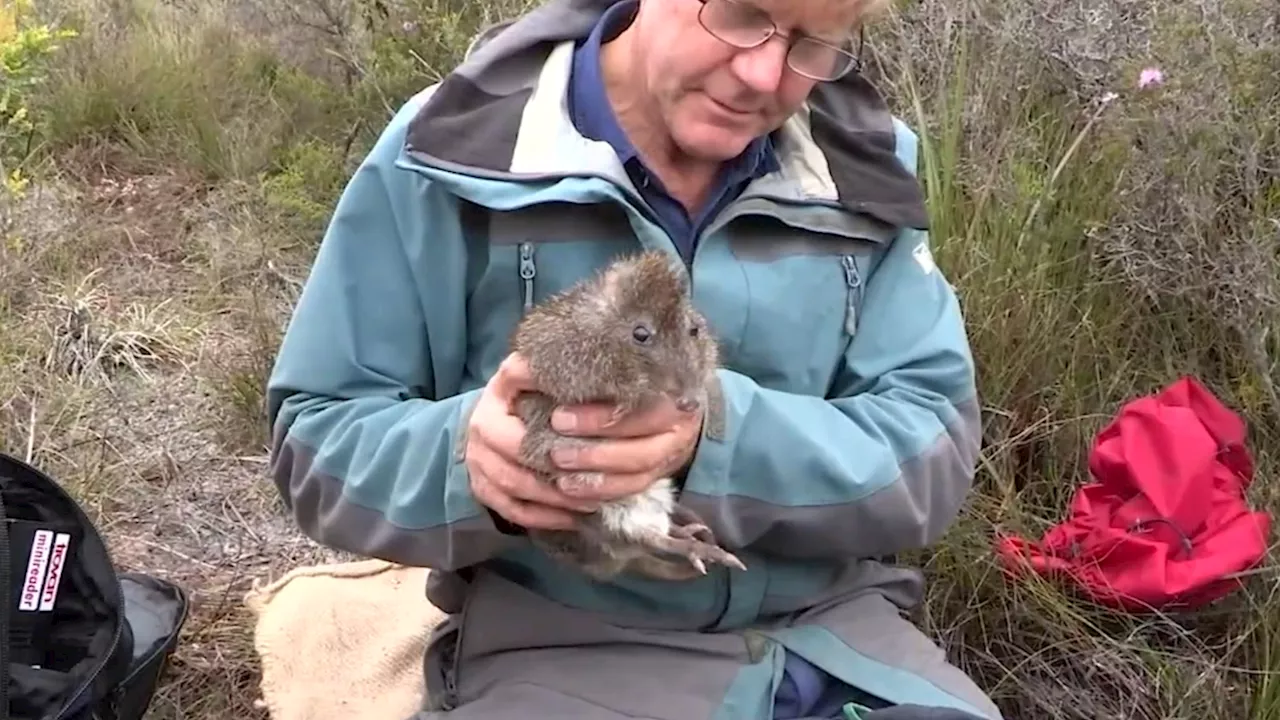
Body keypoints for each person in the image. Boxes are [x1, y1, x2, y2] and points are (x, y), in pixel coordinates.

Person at [264, 0, 1002, 717]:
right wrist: (471, 467)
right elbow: (318, 441)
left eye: (814, 42)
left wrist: (712, 442)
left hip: (839, 641)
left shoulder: (866, 164)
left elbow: (932, 455)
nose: (763, 74)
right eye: (742, 16)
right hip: (564, 649)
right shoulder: (451, 147)